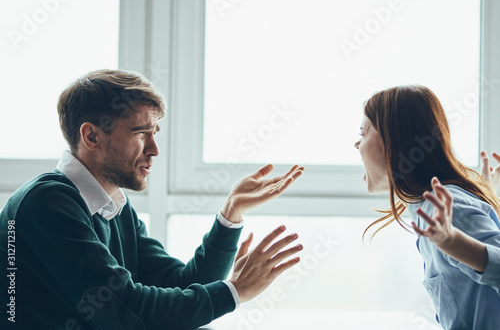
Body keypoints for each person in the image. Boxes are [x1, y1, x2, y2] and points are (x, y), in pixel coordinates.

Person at [0, 69, 305, 329]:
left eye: (154, 131)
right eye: (141, 132)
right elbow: (127, 310)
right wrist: (234, 291)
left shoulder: (112, 204)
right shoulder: (47, 203)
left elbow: (181, 284)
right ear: (91, 136)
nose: (154, 148)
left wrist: (230, 214)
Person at [354, 85, 500, 329]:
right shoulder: (433, 207)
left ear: (394, 142)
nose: (356, 145)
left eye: (363, 132)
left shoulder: (445, 207)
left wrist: (455, 242)